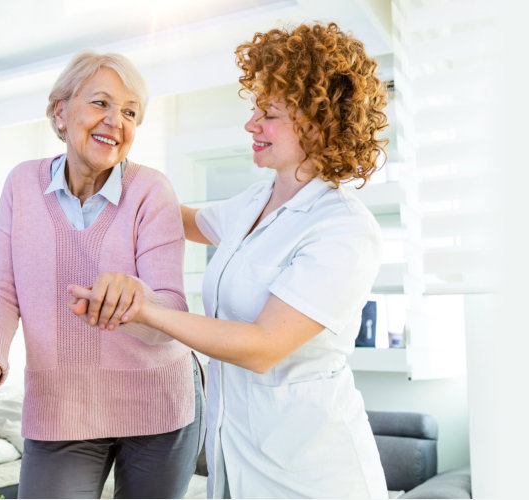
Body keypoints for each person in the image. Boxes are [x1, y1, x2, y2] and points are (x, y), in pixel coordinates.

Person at [69, 23, 393, 498]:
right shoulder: (254, 202)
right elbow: (175, 218)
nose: (252, 124)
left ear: (318, 123)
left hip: (312, 474)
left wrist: (146, 310)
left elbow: (261, 346)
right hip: (235, 461)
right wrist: (107, 162)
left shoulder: (343, 228)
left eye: (270, 113)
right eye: (255, 109)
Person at [0, 50, 202, 499]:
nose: (115, 121)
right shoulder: (22, 185)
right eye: (101, 103)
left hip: (158, 404)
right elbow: (1, 290)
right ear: (61, 110)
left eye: (130, 112)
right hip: (62, 406)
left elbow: (173, 311)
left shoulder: (151, 191)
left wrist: (137, 298)